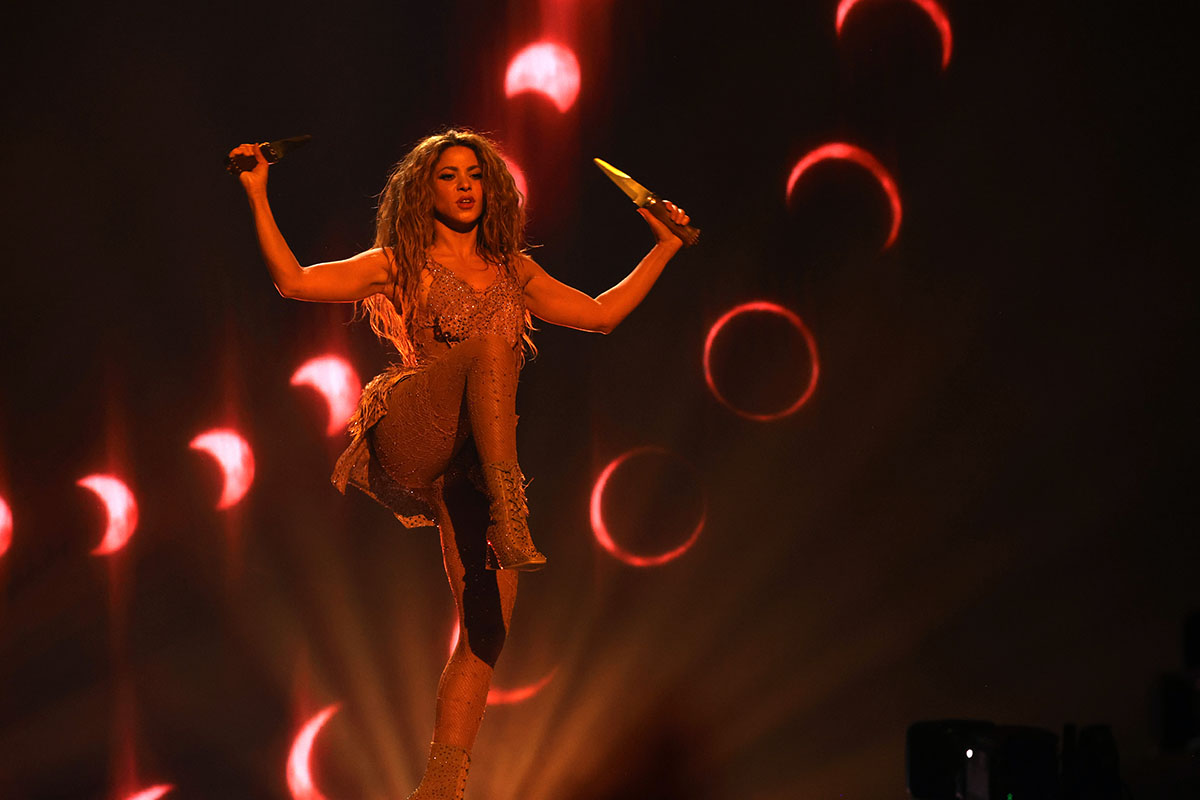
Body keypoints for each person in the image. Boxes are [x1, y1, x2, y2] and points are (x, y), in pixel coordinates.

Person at [229, 129, 689, 798]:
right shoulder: (399, 261)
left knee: (486, 627)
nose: (466, 184)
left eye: (475, 174)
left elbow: (599, 316)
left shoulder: (514, 271)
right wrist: (257, 193)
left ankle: (439, 788)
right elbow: (294, 282)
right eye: (450, 175)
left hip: (466, 465)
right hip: (414, 429)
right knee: (486, 351)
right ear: (426, 189)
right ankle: (511, 502)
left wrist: (665, 247)